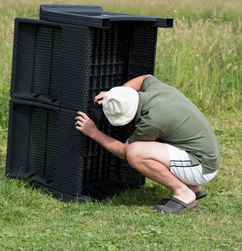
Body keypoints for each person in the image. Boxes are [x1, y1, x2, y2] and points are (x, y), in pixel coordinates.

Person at [75, 75, 220, 214]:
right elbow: (145, 77)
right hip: (202, 153)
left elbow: (123, 152)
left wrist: (94, 132)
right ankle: (193, 187)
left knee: (135, 153)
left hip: (202, 166)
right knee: (140, 149)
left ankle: (184, 194)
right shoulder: (155, 89)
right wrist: (114, 95)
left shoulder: (151, 120)